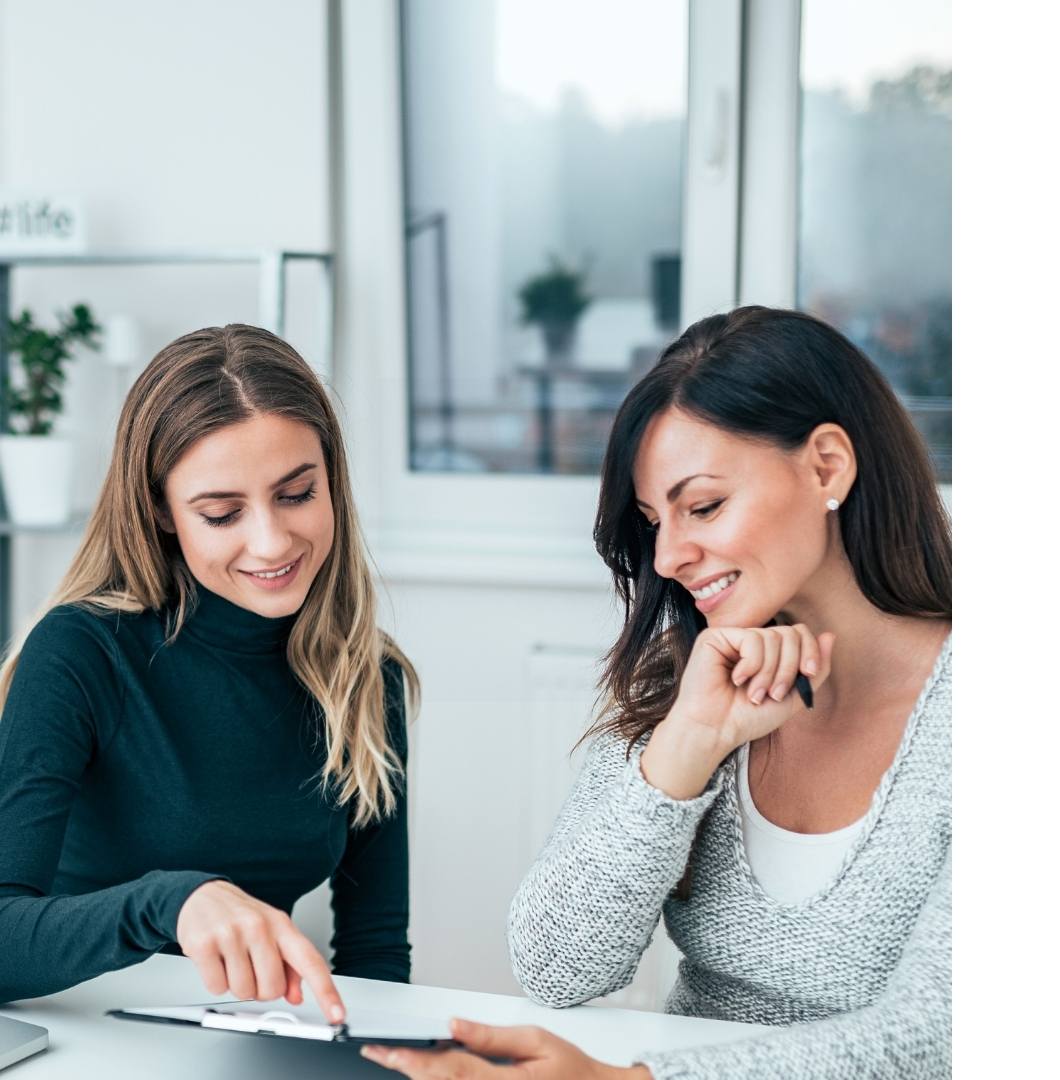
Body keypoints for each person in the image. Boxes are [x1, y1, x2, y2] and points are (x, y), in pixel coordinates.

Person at [361, 306, 950, 1078]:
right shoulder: (692, 676)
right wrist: (685, 748)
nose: (669, 556)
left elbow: (942, 1033)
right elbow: (555, 964)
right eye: (652, 521)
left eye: (702, 506)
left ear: (827, 466)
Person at [0, 324, 417, 1023]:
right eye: (222, 513)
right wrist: (170, 902)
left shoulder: (365, 676)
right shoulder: (81, 653)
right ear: (162, 511)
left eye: (297, 494)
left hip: (242, 1041)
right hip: (77, 1035)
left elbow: (375, 951)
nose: (272, 541)